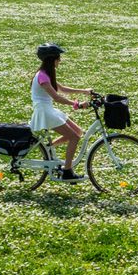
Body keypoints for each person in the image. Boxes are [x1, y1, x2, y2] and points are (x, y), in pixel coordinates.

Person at [29, 43, 93, 183]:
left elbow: (62, 89)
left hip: (49, 109)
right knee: (74, 137)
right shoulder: (42, 76)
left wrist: (83, 91)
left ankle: (48, 148)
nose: (60, 60)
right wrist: (77, 104)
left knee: (77, 131)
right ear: (51, 59)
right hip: (44, 112)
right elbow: (57, 97)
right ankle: (67, 171)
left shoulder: (46, 74)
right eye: (58, 58)